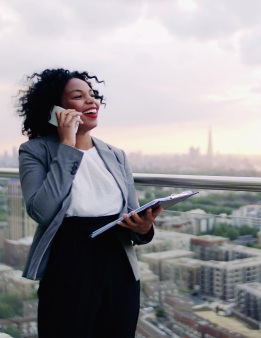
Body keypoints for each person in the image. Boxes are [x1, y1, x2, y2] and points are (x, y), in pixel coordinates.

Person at [16, 68, 162, 337]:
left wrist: (143, 228)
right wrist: (68, 146)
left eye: (93, 95)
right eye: (78, 96)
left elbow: (132, 213)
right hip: (68, 265)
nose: (91, 101)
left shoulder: (116, 155)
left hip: (119, 267)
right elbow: (42, 212)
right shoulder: (35, 151)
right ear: (56, 108)